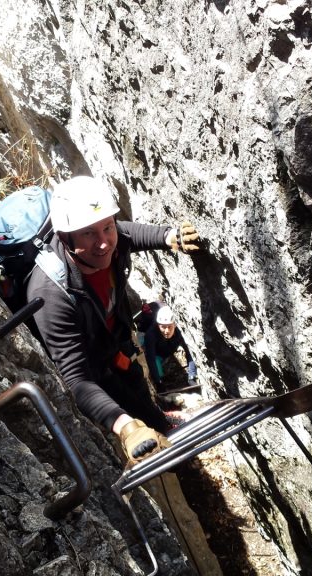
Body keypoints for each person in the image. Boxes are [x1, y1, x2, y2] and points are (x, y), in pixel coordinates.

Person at [26, 175, 200, 463]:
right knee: (127, 402)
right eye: (89, 234)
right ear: (66, 238)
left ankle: (162, 423)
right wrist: (127, 428)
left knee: (137, 386)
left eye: (107, 228)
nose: (104, 243)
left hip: (113, 342)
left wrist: (169, 236)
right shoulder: (50, 293)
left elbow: (127, 234)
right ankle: (170, 460)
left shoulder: (109, 239)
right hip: (92, 363)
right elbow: (76, 378)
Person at [143, 305, 197, 394]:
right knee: (157, 368)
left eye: (169, 326)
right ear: (158, 325)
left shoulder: (180, 331)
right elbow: (151, 359)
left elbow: (190, 351)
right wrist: (158, 382)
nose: (167, 331)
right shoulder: (150, 335)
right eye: (163, 327)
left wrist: (192, 375)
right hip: (158, 354)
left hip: (170, 348)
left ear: (175, 325)